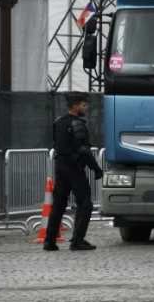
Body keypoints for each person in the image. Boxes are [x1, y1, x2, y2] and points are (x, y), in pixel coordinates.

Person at [43, 92, 103, 251]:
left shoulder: (59, 122)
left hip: (60, 167)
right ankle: (77, 240)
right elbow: (84, 151)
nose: (86, 108)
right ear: (76, 107)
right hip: (74, 169)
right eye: (84, 105)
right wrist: (96, 169)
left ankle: (49, 241)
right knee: (85, 204)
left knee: (58, 205)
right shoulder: (77, 124)